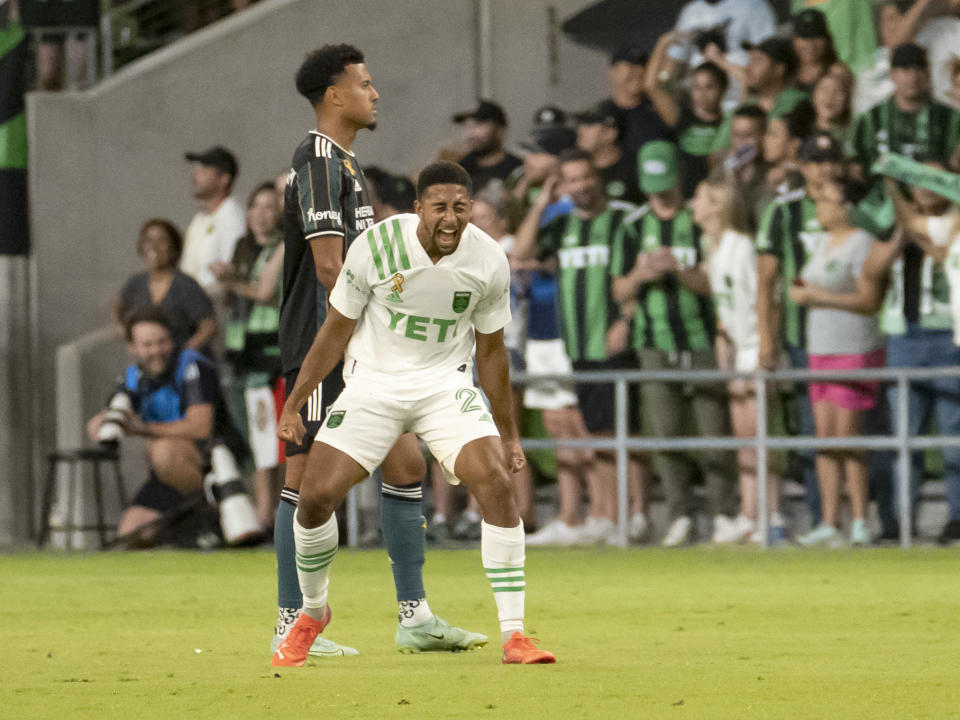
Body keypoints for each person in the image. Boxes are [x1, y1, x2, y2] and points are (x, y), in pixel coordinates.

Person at [272, 161, 556, 667]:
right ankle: (313, 613)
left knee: (493, 481)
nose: (451, 219)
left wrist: (509, 435)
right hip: (373, 384)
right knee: (314, 497)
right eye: (440, 208)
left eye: (461, 208)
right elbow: (336, 329)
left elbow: (491, 353)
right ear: (418, 208)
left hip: (444, 385)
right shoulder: (376, 247)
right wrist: (296, 401)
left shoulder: (488, 259)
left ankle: (515, 634)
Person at [276, 44, 482, 659]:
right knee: (303, 480)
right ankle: (293, 625)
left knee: (406, 465)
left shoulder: (347, 164)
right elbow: (329, 264)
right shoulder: (316, 160)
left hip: (366, 346)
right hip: (325, 341)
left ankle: (414, 617)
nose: (375, 93)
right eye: (364, 84)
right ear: (334, 95)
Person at [514, 149, 650, 546]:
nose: (581, 186)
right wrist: (542, 201)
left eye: (586, 177)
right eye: (572, 180)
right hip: (578, 343)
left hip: (613, 339)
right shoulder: (563, 225)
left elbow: (635, 274)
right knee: (598, 431)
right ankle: (607, 515)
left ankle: (634, 512)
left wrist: (624, 321)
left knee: (627, 431)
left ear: (598, 178)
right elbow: (520, 255)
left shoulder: (623, 221)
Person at [611, 141, 737, 546]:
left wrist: (681, 271)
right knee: (665, 434)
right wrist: (641, 275)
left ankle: (724, 512)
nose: (659, 192)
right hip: (654, 342)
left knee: (714, 431)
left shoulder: (701, 219)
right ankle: (679, 513)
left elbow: (715, 282)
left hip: (701, 339)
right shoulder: (631, 227)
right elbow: (618, 290)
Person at [86, 306, 242, 548]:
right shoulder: (134, 376)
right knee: (132, 532)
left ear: (172, 339)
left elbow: (201, 427)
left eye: (162, 342)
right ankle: (190, 529)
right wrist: (105, 424)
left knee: (163, 450)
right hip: (165, 478)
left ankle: (213, 513)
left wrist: (143, 429)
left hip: (209, 468)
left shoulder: (192, 365)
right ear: (133, 348)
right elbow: (108, 418)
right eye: (147, 345)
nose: (156, 351)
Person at [790, 179, 889, 547]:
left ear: (845, 207)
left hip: (853, 346)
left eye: (827, 200)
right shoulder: (821, 243)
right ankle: (830, 520)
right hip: (821, 347)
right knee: (825, 439)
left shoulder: (861, 243)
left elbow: (868, 299)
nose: (820, 207)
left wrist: (818, 295)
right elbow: (811, 283)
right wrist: (800, 289)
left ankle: (861, 518)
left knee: (848, 437)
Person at [692, 171, 787, 543]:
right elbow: (725, 306)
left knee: (761, 437)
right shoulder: (715, 249)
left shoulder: (742, 247)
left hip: (755, 351)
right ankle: (750, 516)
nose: (693, 206)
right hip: (738, 350)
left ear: (717, 205)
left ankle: (772, 515)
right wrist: (723, 339)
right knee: (745, 439)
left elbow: (767, 298)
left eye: (699, 198)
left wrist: (766, 348)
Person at [880, 168, 960, 544]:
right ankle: (901, 518)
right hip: (904, 334)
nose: (925, 187)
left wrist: (895, 190)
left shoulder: (952, 221)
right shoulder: (893, 222)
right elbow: (872, 267)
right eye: (918, 179)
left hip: (949, 334)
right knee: (904, 433)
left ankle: (957, 517)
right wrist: (898, 224)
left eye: (936, 179)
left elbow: (938, 249)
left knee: (953, 432)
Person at [210, 182, 285, 531]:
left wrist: (230, 280)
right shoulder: (243, 248)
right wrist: (228, 282)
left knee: (266, 435)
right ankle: (260, 511)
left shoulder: (283, 247)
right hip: (239, 353)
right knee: (250, 437)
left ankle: (267, 513)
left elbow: (265, 291)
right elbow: (230, 301)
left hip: (267, 357)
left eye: (270, 207)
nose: (261, 214)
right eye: (256, 206)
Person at [851, 42, 960, 181]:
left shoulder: (951, 118)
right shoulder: (871, 119)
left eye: (918, 69)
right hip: (883, 197)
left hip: (938, 196)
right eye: (905, 69)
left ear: (928, 73)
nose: (913, 77)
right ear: (893, 74)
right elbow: (856, 167)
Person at [645, 29, 729, 199]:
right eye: (697, 87)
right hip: (685, 201)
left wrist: (720, 61)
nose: (702, 94)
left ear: (722, 90)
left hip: (716, 200)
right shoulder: (681, 117)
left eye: (709, 87)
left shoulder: (728, 122)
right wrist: (663, 43)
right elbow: (650, 86)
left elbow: (746, 89)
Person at [115, 219, 216, 355]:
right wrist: (127, 336)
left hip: (179, 366)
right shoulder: (136, 283)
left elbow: (208, 326)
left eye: (161, 241)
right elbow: (116, 306)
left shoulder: (185, 285)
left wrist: (185, 353)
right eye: (148, 240)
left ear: (173, 248)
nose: (154, 246)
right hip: (148, 364)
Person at [179, 145, 246, 295]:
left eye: (204, 170)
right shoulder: (200, 218)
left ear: (224, 179)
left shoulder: (232, 217)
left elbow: (232, 271)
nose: (195, 175)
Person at [605, 46, 673, 158]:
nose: (639, 71)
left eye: (642, 65)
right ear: (613, 71)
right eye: (631, 65)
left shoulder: (659, 110)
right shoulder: (603, 115)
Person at [573, 100, 642, 205]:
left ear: (609, 134)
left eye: (589, 124)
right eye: (581, 124)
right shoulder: (574, 168)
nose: (580, 129)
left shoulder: (635, 168)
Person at [451, 100, 522, 195]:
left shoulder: (518, 171)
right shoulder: (458, 172)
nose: (471, 133)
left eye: (479, 124)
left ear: (500, 130)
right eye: (466, 125)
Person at [792, 8, 841, 95]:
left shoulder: (837, 72)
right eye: (804, 37)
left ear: (827, 40)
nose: (810, 44)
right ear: (794, 40)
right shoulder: (784, 72)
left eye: (816, 36)